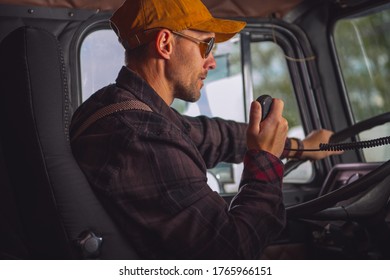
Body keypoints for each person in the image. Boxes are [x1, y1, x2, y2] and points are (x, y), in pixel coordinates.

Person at [70, 0, 339, 259]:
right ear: (165, 44)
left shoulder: (120, 106)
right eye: (206, 45)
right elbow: (232, 254)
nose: (211, 62)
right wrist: (265, 160)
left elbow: (213, 136)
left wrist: (300, 147)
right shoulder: (140, 136)